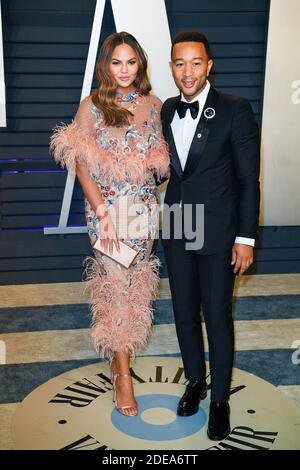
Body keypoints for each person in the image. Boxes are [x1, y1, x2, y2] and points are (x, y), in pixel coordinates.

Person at [50, 32, 169, 417]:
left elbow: (165, 162)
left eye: (131, 62)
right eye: (116, 62)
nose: (124, 70)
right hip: (107, 214)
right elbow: (81, 165)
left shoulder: (154, 106)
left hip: (144, 212)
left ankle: (120, 356)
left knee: (135, 287)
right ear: (106, 66)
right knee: (116, 288)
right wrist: (104, 213)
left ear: (140, 65)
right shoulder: (92, 106)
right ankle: (122, 374)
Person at [160, 31, 260, 440]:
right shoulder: (166, 110)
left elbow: (249, 180)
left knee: (217, 316)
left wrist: (245, 238)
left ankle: (220, 399)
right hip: (178, 225)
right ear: (171, 67)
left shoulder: (235, 109)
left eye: (195, 63)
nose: (188, 72)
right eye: (179, 63)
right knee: (184, 313)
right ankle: (195, 382)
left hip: (217, 229)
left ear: (209, 65)